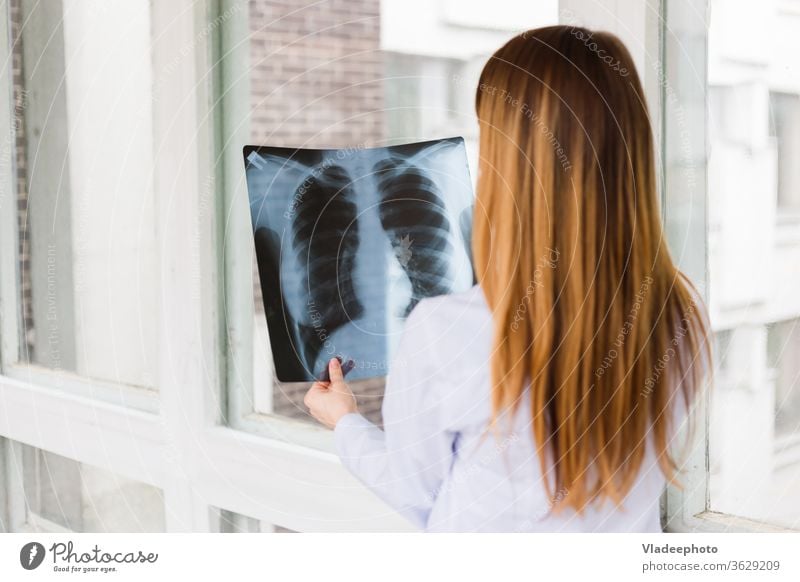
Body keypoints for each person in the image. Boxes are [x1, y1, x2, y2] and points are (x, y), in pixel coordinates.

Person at [303, 25, 711, 532]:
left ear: (511, 164)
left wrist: (344, 420)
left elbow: (417, 493)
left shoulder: (447, 328)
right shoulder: (679, 314)